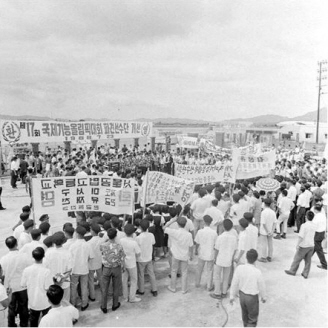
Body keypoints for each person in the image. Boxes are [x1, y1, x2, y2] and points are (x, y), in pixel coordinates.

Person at [230, 249, 267, 327]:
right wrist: (263, 297)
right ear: (256, 259)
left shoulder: (239, 268)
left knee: (245, 316)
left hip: (242, 296)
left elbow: (234, 283)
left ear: (246, 258)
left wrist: (231, 296)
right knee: (252, 319)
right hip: (252, 298)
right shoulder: (257, 272)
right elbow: (262, 287)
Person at [0, 236, 30, 327]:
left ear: (7, 246)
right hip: (22, 286)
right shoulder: (24, 256)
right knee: (24, 306)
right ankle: (24, 324)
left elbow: (2, 273)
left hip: (10, 287)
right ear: (17, 244)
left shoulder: (3, 259)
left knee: (11, 307)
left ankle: (11, 324)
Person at [21, 247, 53, 327]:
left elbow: (23, 284)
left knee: (33, 322)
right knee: (46, 322)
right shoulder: (46, 271)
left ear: (33, 257)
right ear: (43, 256)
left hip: (33, 302)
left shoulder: (26, 270)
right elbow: (47, 287)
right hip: (45, 302)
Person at [164, 216, 194, 294]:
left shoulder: (174, 232)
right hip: (184, 255)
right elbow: (191, 246)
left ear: (177, 224)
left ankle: (173, 287)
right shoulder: (188, 235)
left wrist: (171, 221)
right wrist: (191, 255)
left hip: (175, 254)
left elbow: (164, 228)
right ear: (185, 224)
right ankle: (184, 289)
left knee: (173, 271)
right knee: (184, 272)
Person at [69, 226, 95, 311]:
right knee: (84, 286)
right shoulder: (88, 245)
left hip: (74, 269)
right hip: (84, 269)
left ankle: (73, 304)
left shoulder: (72, 246)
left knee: (73, 287)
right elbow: (91, 257)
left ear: (76, 234)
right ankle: (84, 304)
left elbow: (69, 258)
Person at [211, 219, 238, 300]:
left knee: (217, 276)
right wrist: (232, 258)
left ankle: (217, 293)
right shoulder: (234, 238)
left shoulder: (220, 237)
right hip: (228, 260)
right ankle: (224, 292)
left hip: (219, 259)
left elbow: (216, 249)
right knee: (226, 277)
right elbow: (235, 250)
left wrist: (215, 258)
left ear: (223, 227)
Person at [100, 228, 125, 313]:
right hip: (116, 268)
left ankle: (104, 306)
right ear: (116, 236)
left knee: (105, 288)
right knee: (116, 287)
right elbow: (122, 257)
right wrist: (123, 266)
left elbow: (102, 254)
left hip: (106, 268)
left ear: (107, 235)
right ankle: (115, 304)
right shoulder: (119, 246)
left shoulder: (103, 245)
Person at [285, 211, 316, 278]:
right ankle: (305, 273)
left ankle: (292, 271)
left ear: (306, 217)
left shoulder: (304, 225)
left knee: (297, 259)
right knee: (308, 260)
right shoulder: (314, 225)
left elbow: (301, 236)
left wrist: (297, 244)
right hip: (311, 245)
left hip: (304, 245)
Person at [43, 232, 72, 304]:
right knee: (65, 301)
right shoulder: (68, 253)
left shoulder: (48, 252)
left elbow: (45, 267)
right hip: (64, 282)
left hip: (52, 283)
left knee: (54, 302)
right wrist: (62, 279)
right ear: (63, 241)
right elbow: (69, 270)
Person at [194, 215, 218, 291]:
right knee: (210, 270)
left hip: (202, 252)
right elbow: (216, 245)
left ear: (204, 222)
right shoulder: (214, 233)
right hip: (210, 253)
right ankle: (209, 286)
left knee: (199, 269)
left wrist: (196, 250)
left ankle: (197, 283)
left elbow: (197, 242)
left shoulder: (200, 231)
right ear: (210, 223)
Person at [120, 224, 141, 303]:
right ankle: (132, 297)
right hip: (132, 263)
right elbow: (138, 253)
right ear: (133, 233)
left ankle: (125, 297)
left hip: (123, 263)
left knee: (124, 280)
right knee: (134, 280)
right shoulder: (134, 242)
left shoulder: (121, 240)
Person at [136, 220, 158, 297]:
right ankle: (154, 289)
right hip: (149, 257)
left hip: (141, 259)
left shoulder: (138, 237)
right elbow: (153, 243)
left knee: (141, 275)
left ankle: (141, 290)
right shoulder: (151, 235)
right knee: (151, 273)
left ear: (140, 227)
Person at [87, 223, 104, 302]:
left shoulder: (89, 243)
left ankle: (92, 296)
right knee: (101, 278)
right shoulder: (102, 240)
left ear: (93, 231)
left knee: (90, 280)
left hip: (91, 263)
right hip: (99, 261)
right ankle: (103, 292)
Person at [258, 199, 277, 263]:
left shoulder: (263, 212)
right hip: (271, 231)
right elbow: (275, 222)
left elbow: (263, 223)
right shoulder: (273, 212)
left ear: (264, 204)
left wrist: (267, 231)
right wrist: (271, 231)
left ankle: (263, 257)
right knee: (270, 244)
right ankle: (269, 256)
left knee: (264, 244)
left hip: (264, 231)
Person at [312, 205, 327, 270]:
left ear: (315, 210)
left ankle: (324, 264)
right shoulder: (323, 215)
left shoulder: (316, 217)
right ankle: (308, 256)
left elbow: (314, 225)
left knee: (319, 249)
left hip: (318, 233)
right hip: (322, 232)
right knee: (315, 246)